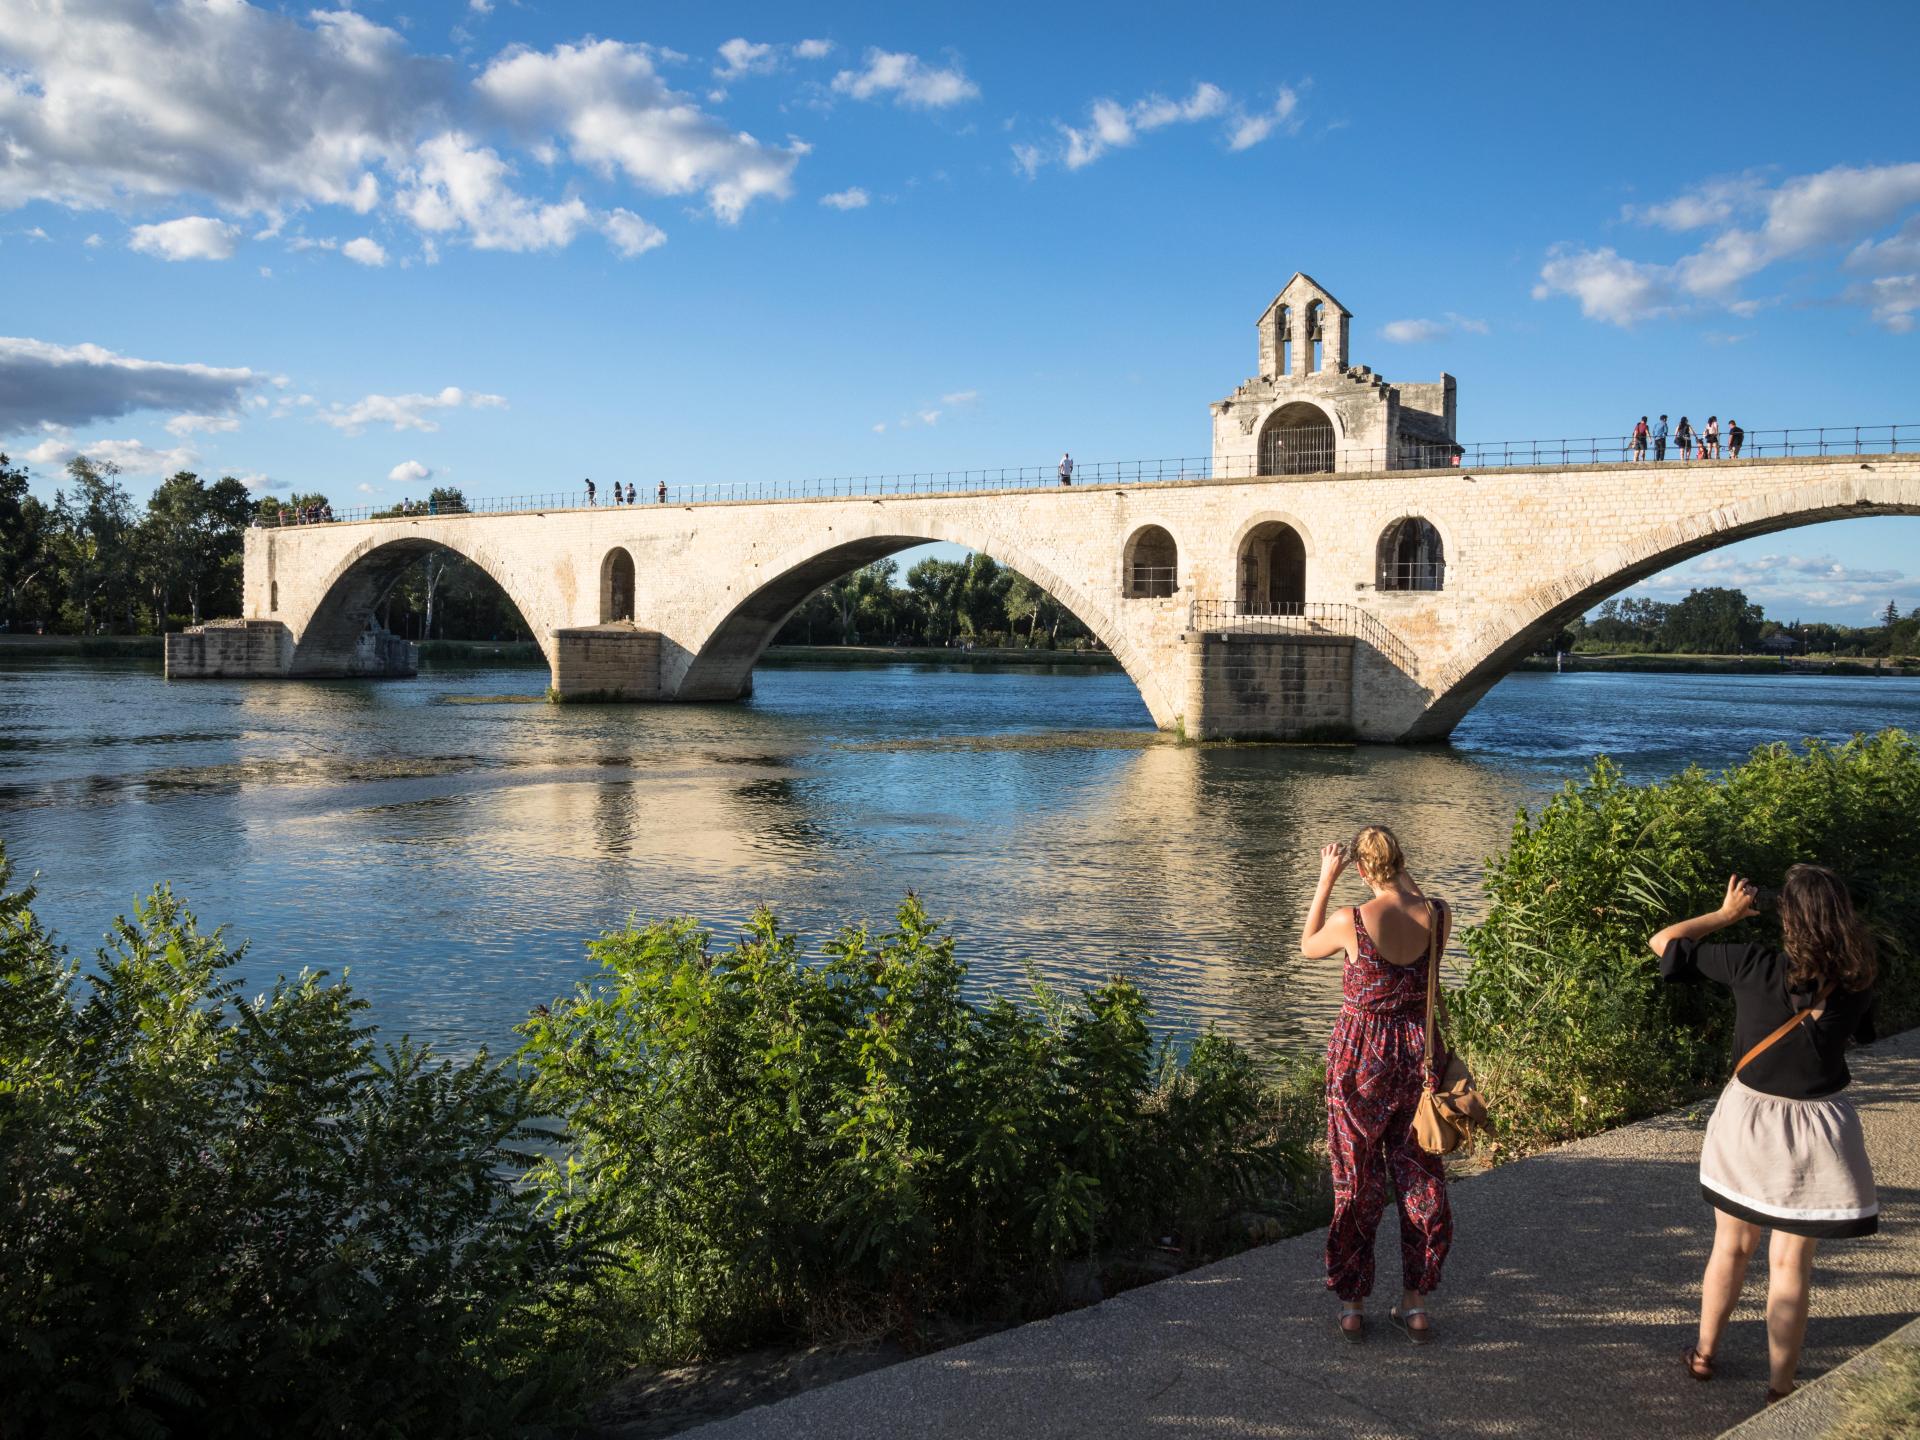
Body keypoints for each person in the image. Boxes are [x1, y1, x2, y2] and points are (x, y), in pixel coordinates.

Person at [1648, 867, 1879, 1407]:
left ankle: (1704, 1356)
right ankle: (1780, 1390)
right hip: (1819, 1128)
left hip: (1749, 1124)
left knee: (1730, 1246)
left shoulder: (1753, 964)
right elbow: (1862, 1035)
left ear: (1788, 918)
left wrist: (1725, 915)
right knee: (1790, 1266)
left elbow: (1665, 942)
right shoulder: (1858, 980)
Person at [1300, 826, 1453, 1346]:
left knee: (1356, 1180)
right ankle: (1415, 1304)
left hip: (1359, 1060)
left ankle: (1352, 1304)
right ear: (1403, 859)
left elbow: (1307, 946)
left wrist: (1325, 880)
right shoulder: (1439, 914)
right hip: (1416, 1055)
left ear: (1362, 871)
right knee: (1418, 1174)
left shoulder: (1352, 920)